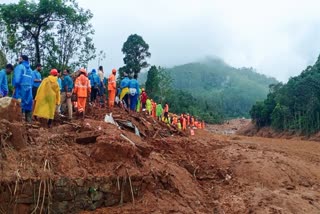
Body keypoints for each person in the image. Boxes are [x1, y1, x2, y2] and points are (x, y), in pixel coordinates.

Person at [13, 55, 33, 122]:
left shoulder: (20, 67)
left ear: (23, 60)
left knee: (19, 105)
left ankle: (19, 123)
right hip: (29, 90)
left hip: (20, 90)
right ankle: (29, 123)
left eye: (20, 58)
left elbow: (17, 80)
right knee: (28, 106)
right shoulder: (30, 70)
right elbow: (32, 81)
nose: (19, 60)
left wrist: (15, 87)